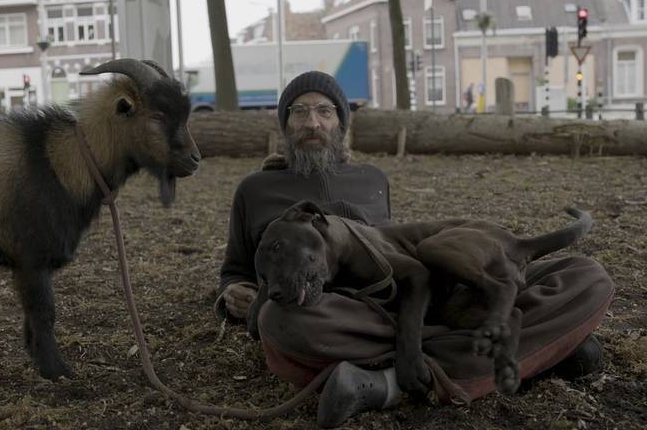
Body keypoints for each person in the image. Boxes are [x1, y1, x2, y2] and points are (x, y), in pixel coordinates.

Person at [214, 71, 614, 428]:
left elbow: (395, 253)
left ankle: (386, 379)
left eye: (324, 111)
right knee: (279, 320)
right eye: (299, 113)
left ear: (341, 123)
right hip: (348, 313)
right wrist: (232, 293)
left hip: (421, 297)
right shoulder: (255, 189)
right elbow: (234, 270)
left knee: (585, 274)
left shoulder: (371, 178)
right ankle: (538, 350)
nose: (312, 122)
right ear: (285, 125)